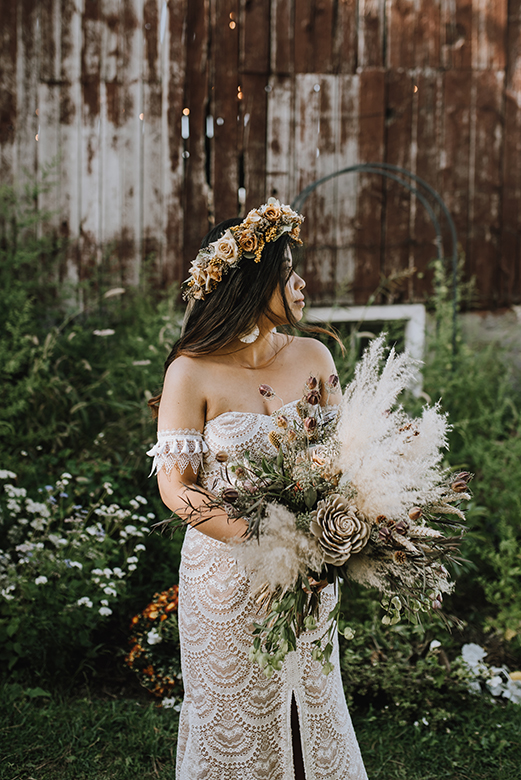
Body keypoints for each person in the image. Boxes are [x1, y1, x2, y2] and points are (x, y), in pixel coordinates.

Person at [147, 199, 368, 780]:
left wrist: (326, 541)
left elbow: (345, 460)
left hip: (313, 571)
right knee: (233, 714)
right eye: (285, 268)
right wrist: (264, 541)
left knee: (310, 705)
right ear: (250, 281)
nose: (300, 282)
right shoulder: (190, 371)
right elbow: (177, 489)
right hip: (225, 577)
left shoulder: (314, 356)